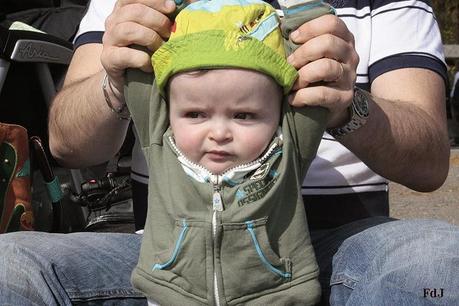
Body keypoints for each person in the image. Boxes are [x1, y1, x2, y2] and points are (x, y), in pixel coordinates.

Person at [0, 0, 458, 305]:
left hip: (337, 254)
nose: (219, 133)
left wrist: (348, 106)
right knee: (10, 266)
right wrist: (116, 82)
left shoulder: (386, 3)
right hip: (164, 259)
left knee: (437, 261)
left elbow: (430, 162)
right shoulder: (137, 4)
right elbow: (66, 144)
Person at [126, 0, 330, 304]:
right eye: (195, 114)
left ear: (280, 111)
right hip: (172, 293)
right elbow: (137, 62)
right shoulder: (159, 141)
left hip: (275, 297)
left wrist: (306, 12)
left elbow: (316, 69)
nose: (219, 133)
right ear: (169, 109)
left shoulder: (288, 149)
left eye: (243, 116)